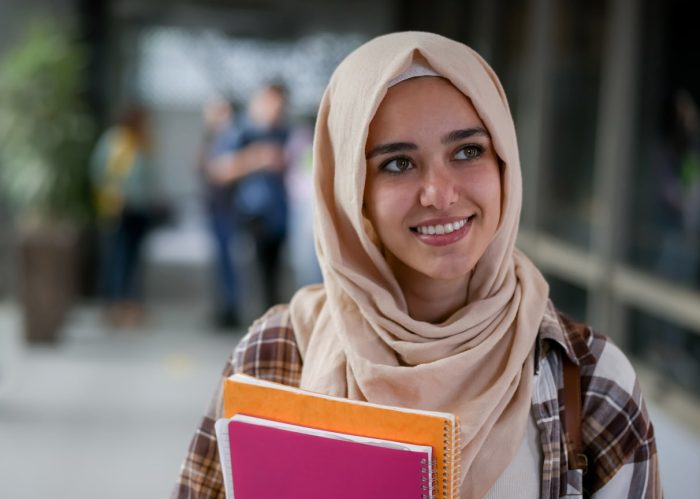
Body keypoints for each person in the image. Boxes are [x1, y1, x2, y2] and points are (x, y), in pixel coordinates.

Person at [173, 32, 661, 498]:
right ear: (352, 193)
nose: (440, 194)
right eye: (398, 163)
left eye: (468, 151)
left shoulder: (592, 379)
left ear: (505, 167)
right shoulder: (274, 356)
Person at [208, 83, 290, 313]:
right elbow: (219, 170)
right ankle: (234, 310)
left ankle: (271, 318)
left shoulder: (284, 133)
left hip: (279, 216)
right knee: (246, 269)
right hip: (250, 214)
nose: (276, 110)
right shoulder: (242, 132)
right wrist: (257, 158)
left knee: (272, 274)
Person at [91, 103, 155, 328]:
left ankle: (129, 303)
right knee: (118, 258)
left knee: (133, 260)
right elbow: (99, 172)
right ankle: (113, 304)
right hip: (119, 210)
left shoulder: (142, 141)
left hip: (140, 210)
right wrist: (117, 193)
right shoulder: (115, 140)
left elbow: (148, 176)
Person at [197, 97, 242, 328]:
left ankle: (230, 308)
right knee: (222, 261)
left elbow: (223, 170)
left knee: (228, 261)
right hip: (217, 207)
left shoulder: (231, 135)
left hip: (227, 208)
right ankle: (225, 306)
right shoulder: (215, 137)